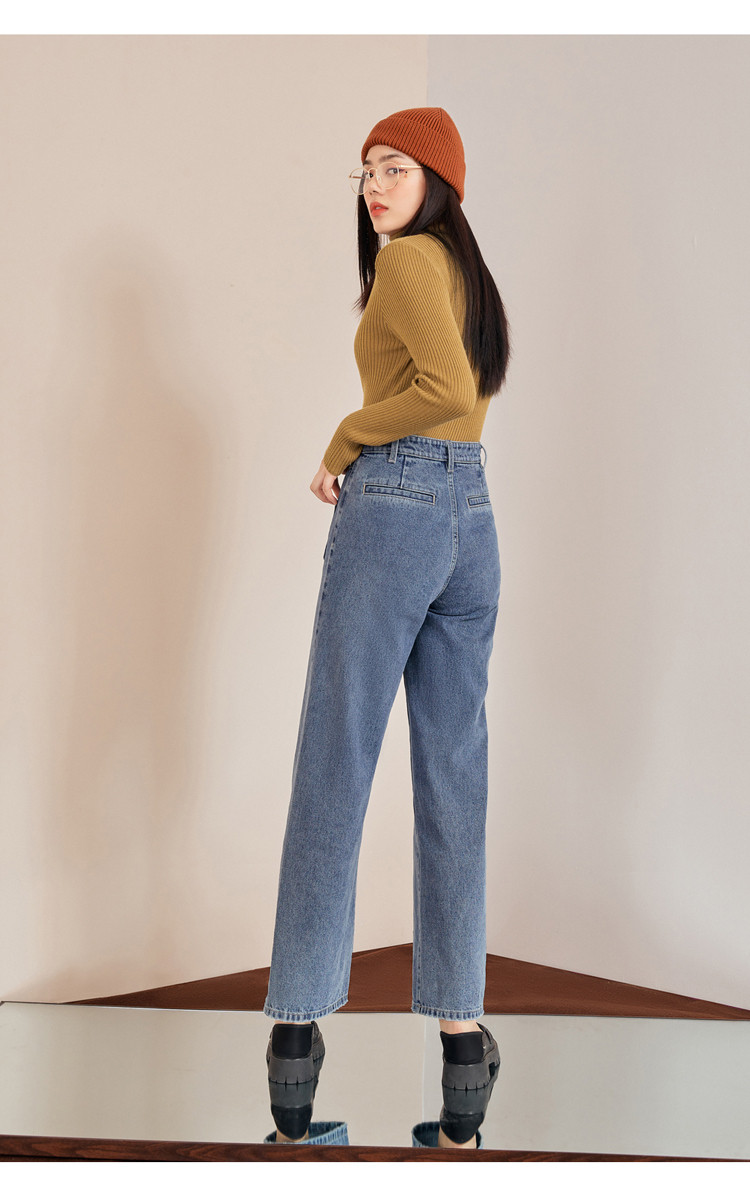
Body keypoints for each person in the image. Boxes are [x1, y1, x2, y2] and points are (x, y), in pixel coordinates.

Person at [263, 107, 510, 1150]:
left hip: (398, 507)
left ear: (436, 181)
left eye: (394, 168)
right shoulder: (464, 273)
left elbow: (441, 389)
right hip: (472, 517)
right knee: (453, 775)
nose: (373, 185)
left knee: (337, 756)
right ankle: (462, 1049)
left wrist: (346, 436)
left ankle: (295, 1041)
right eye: (365, 170)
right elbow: (469, 394)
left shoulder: (409, 260)